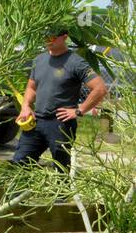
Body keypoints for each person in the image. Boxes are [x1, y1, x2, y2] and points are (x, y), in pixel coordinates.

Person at [11, 26, 108, 170]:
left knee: (61, 169)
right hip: (36, 121)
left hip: (60, 124)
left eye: (52, 37)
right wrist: (25, 106)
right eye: (45, 37)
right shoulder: (39, 60)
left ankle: (61, 192)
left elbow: (100, 88)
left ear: (64, 37)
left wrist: (79, 110)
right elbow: (31, 87)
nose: (48, 41)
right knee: (20, 162)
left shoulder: (76, 62)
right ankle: (21, 192)